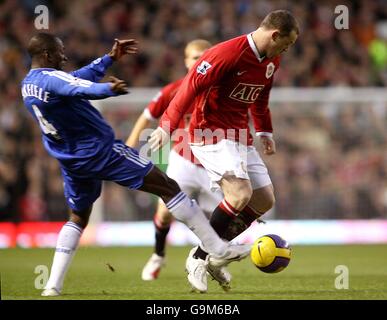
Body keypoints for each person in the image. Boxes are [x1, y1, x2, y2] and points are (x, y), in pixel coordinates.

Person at [21, 33, 250, 297]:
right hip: (100, 151)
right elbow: (79, 87)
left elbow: (76, 79)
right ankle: (217, 248)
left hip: (71, 160)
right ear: (48, 55)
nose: (64, 56)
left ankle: (52, 285)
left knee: (78, 218)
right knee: (168, 186)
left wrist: (109, 59)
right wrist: (108, 89)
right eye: (60, 51)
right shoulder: (52, 78)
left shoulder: (28, 84)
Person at [149, 10, 299, 292]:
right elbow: (188, 89)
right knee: (240, 194)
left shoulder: (271, 60)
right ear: (274, 35)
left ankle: (215, 256)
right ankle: (201, 256)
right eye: (286, 44)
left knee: (264, 199)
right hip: (209, 132)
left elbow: (260, 98)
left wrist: (265, 131)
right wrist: (166, 126)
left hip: (239, 135)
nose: (286, 50)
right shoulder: (226, 54)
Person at [126, 39, 226, 285]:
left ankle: (205, 260)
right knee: (165, 211)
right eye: (194, 57)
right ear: (185, 61)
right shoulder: (175, 89)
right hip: (183, 162)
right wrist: (129, 145)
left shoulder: (223, 90)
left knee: (224, 220)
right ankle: (158, 255)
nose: (199, 61)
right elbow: (147, 115)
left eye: (204, 56)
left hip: (215, 165)